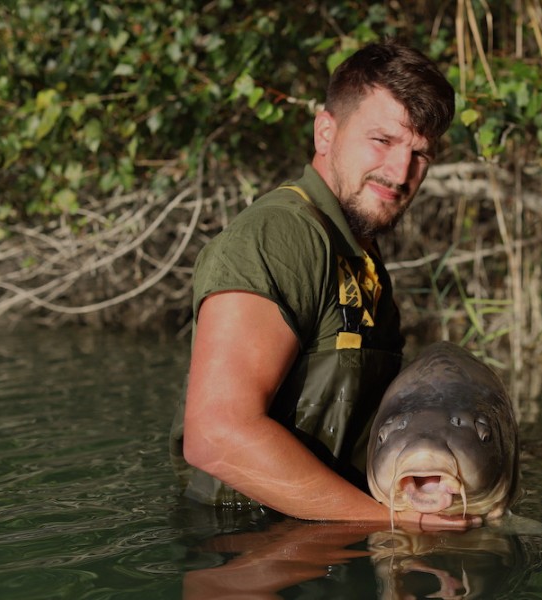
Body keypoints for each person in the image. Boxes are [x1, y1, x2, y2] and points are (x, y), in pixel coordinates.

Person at [169, 41, 479, 530]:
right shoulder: (278, 236)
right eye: (382, 140)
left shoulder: (360, 255)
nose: (401, 173)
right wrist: (389, 525)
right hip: (243, 545)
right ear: (325, 132)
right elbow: (215, 434)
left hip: (327, 537)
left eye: (420, 154)